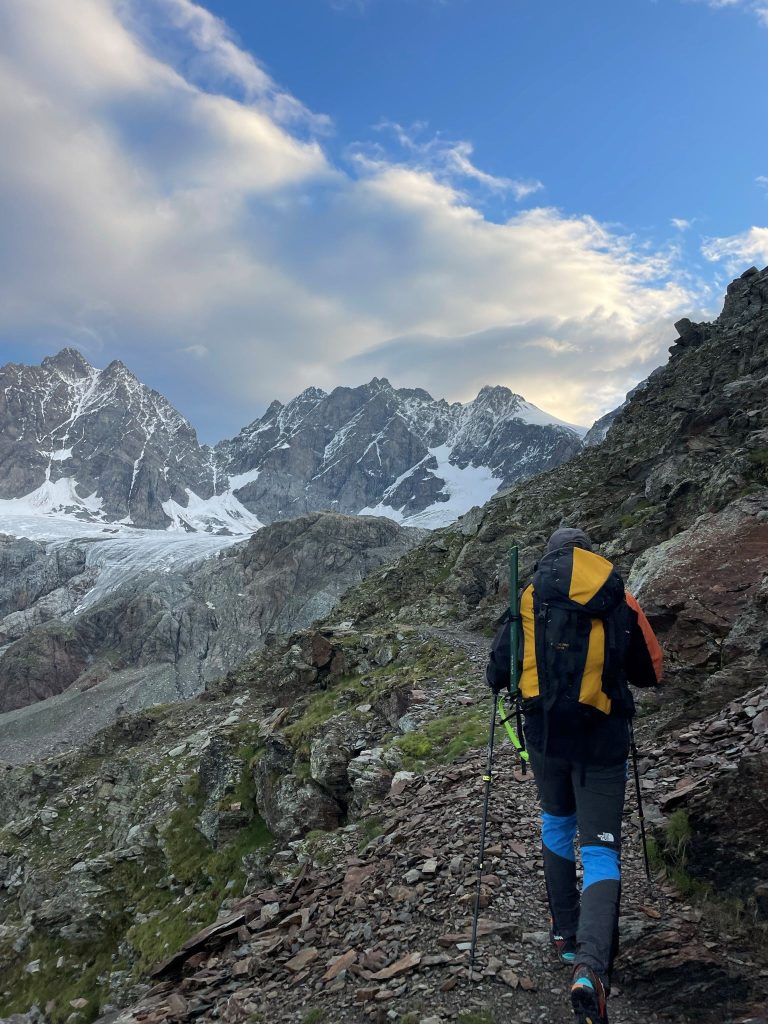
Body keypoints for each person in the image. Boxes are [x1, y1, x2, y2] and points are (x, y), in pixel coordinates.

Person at [486, 528, 663, 1024]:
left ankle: (565, 934)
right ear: (589, 553)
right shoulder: (617, 594)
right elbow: (651, 668)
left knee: (557, 824)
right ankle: (591, 969)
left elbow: (497, 671)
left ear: (548, 556)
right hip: (603, 738)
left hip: (544, 737)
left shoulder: (528, 593)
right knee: (602, 847)